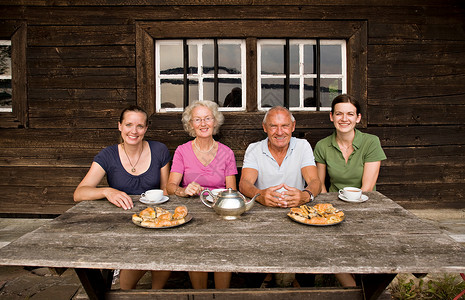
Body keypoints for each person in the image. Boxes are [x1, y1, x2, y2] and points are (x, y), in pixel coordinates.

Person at [73, 105, 171, 290]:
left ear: (146, 128)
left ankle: (156, 293)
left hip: (153, 219)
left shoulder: (159, 150)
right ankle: (124, 289)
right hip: (122, 222)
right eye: (128, 125)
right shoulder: (108, 155)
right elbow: (79, 193)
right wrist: (107, 191)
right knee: (137, 262)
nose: (134, 131)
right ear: (119, 126)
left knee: (162, 248)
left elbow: (166, 191)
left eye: (140, 126)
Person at [313, 94, 387, 286]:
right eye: (339, 114)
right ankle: (352, 289)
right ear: (331, 117)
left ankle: (366, 286)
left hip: (364, 205)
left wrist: (350, 213)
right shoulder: (322, 146)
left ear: (358, 118)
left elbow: (367, 188)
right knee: (326, 243)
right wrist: (329, 211)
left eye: (350, 114)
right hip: (333, 206)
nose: (344, 119)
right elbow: (320, 184)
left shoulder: (371, 142)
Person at [167, 100, 237, 289]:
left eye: (207, 118)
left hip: (219, 212)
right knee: (194, 249)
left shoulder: (227, 153)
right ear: (190, 125)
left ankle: (221, 294)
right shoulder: (182, 151)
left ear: (215, 122)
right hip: (191, 213)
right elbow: (170, 186)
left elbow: (232, 191)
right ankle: (201, 293)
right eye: (197, 119)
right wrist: (183, 190)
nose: (203, 124)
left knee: (223, 249)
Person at [239, 106, 321, 208]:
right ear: (265, 127)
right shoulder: (254, 149)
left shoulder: (303, 146)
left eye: (285, 126)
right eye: (273, 126)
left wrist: (305, 195)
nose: (279, 132)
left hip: (296, 209)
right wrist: (259, 195)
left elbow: (315, 181)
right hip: (263, 210)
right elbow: (244, 184)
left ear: (293, 126)